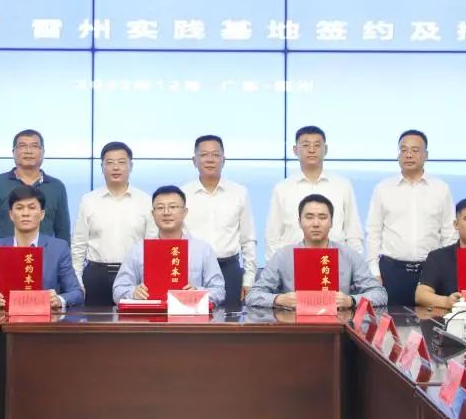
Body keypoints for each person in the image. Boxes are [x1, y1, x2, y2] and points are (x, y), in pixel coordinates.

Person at [247, 194, 387, 309]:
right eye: (309, 217)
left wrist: (351, 300)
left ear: (331, 222)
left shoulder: (349, 255)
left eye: (322, 217)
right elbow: (253, 295)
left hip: (338, 326)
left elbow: (379, 294)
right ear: (299, 222)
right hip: (293, 325)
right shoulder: (283, 255)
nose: (315, 224)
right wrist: (279, 299)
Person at [365, 129, 456, 307]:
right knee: (391, 321)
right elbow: (373, 232)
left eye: (415, 150)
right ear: (398, 155)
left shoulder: (441, 189)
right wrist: (374, 271)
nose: (408, 155)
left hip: (431, 272)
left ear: (426, 155)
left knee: (432, 322)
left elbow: (449, 233)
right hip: (392, 271)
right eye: (404, 150)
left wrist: (446, 271)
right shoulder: (383, 188)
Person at [0, 186, 83, 310]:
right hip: (3, 318)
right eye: (19, 208)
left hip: (45, 318)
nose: (25, 213)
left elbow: (76, 293)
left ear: (42, 214)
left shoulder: (58, 249)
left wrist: (59, 300)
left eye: (32, 208)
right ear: (11, 215)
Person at [71, 142, 157, 306]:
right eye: (109, 162)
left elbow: (151, 246)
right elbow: (78, 245)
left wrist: (148, 281)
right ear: (102, 167)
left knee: (133, 321)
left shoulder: (146, 201)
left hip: (133, 276)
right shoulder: (88, 200)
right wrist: (77, 281)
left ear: (131, 166)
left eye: (121, 162)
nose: (115, 167)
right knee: (94, 320)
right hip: (96, 276)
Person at [113, 185, 225, 305]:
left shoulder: (202, 250)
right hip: (149, 315)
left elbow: (219, 291)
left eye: (173, 207)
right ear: (153, 214)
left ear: (184, 212)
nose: (166, 212)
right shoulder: (138, 250)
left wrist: (197, 293)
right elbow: (118, 290)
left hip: (190, 315)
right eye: (160, 208)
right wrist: (133, 293)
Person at [264, 125, 363, 260]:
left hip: (334, 262)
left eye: (317, 145)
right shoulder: (282, 188)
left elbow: (353, 232)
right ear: (295, 150)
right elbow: (273, 235)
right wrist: (276, 266)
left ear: (325, 149)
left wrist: (355, 265)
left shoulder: (342, 185)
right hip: (293, 262)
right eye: (305, 145)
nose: (311, 150)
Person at [181, 134, 256, 310]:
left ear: (224, 160)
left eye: (215, 154)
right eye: (204, 155)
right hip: (193, 271)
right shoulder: (183, 194)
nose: (210, 159)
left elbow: (248, 239)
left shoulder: (239, 193)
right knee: (190, 319)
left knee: (230, 320)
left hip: (229, 269)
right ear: (194, 160)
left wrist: (249, 279)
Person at [0, 129, 71, 255]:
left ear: (43, 152)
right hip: (4, 260)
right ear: (13, 152)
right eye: (22, 146)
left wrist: (62, 261)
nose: (28, 151)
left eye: (34, 146)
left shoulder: (56, 187)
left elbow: (62, 231)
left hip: (46, 260)